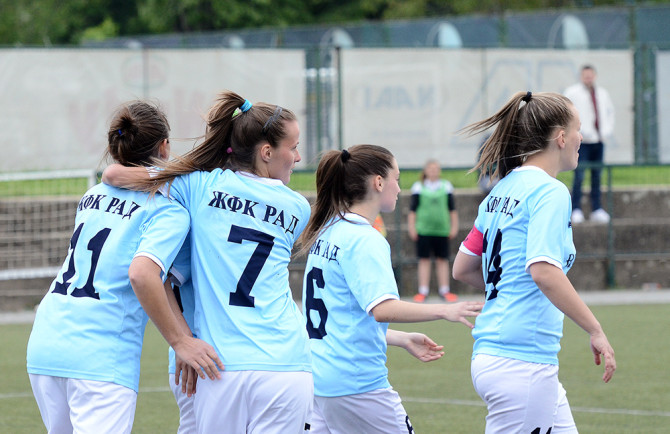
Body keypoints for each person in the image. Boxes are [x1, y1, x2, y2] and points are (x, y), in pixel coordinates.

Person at [102, 90, 313, 434]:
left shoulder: (198, 186)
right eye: (294, 147)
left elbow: (115, 175)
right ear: (266, 152)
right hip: (286, 363)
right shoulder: (297, 207)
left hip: (220, 366)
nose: (298, 156)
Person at [26, 101, 223, 434]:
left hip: (47, 340)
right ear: (164, 147)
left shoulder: (92, 195)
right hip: (99, 353)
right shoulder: (167, 211)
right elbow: (142, 274)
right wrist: (180, 342)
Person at [453, 91, 616, 433]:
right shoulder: (549, 191)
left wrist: (510, 286)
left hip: (500, 355)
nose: (581, 138)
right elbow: (543, 271)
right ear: (561, 137)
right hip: (520, 361)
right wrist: (595, 329)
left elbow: (463, 268)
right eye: (578, 129)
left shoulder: (500, 189)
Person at [299, 144, 484, 434]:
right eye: (396, 179)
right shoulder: (364, 238)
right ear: (378, 182)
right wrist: (445, 310)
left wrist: (400, 338)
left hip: (320, 381)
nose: (399, 188)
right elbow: (383, 309)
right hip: (356, 384)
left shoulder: (328, 231)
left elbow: (340, 318)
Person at [564, 64, 615, 223]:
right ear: (581, 77)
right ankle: (576, 208)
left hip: (599, 140)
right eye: (585, 76)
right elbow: (566, 113)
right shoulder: (572, 93)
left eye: (590, 75)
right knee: (579, 175)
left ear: (595, 76)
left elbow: (609, 113)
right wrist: (579, 132)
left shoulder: (602, 93)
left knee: (597, 175)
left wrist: (606, 131)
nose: (588, 78)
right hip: (582, 142)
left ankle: (597, 208)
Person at [407, 159, 459, 303]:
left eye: (436, 168)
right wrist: (412, 227)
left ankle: (445, 290)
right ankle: (423, 291)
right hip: (423, 230)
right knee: (424, 260)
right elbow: (412, 210)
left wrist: (454, 226)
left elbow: (452, 209)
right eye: (430, 168)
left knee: (442, 260)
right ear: (425, 171)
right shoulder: (418, 187)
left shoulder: (446, 186)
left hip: (442, 230)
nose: (433, 171)